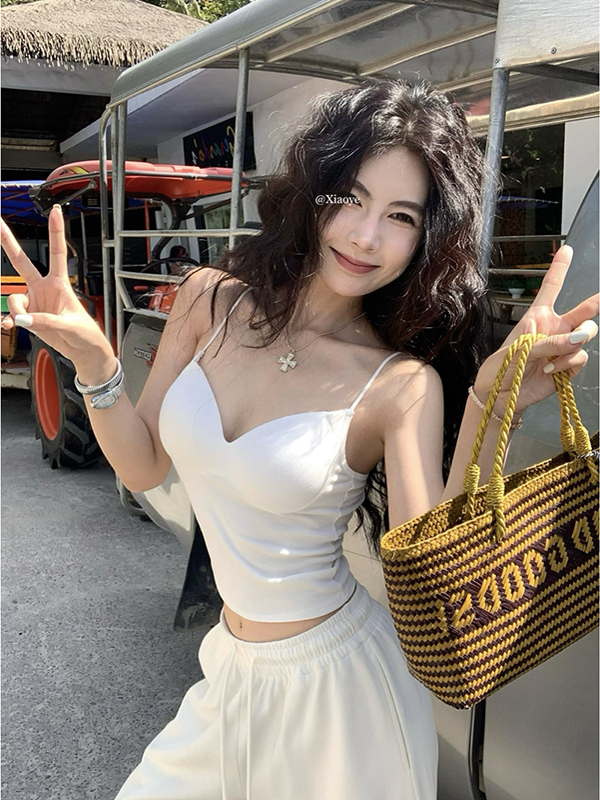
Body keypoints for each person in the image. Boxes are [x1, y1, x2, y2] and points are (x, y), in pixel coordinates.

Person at [1, 77, 598, 800]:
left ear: (426, 238)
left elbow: (431, 590)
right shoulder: (208, 301)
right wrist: (97, 365)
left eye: (401, 216)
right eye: (352, 197)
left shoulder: (401, 385)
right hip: (231, 671)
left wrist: (488, 404)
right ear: (316, 189)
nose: (366, 235)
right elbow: (144, 465)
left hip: (340, 697)